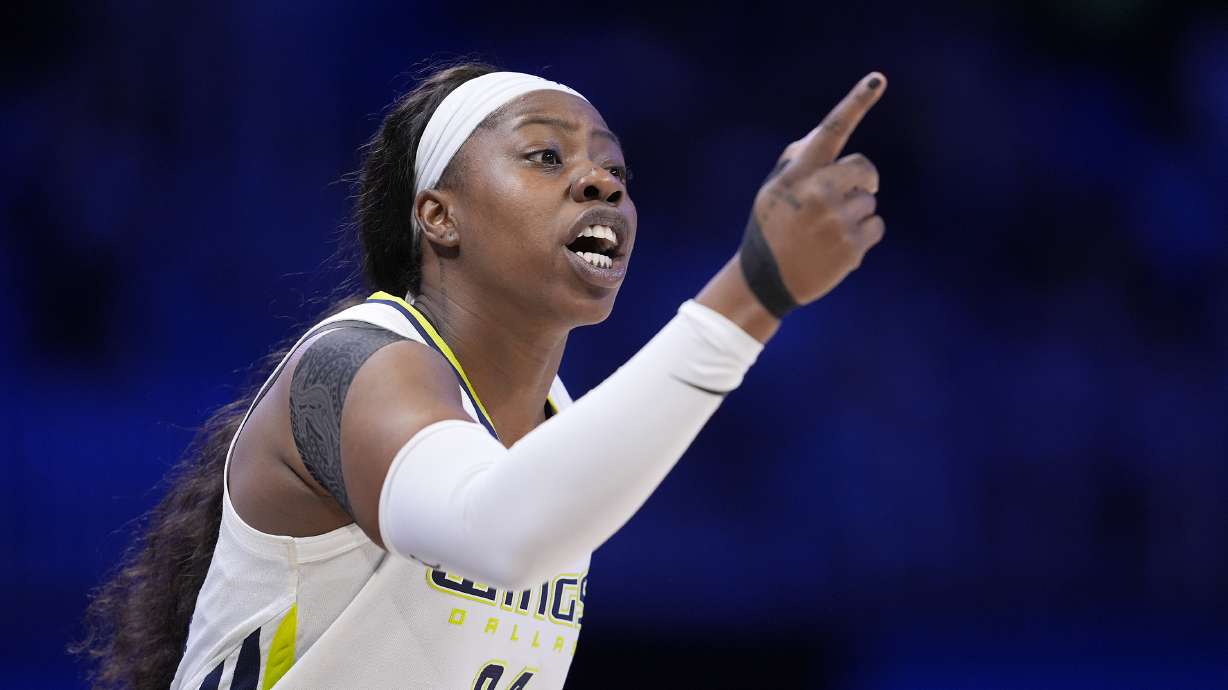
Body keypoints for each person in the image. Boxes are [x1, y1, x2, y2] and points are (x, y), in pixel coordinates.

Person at [76, 61, 886, 689]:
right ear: (439, 214)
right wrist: (752, 293)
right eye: (545, 155)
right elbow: (492, 532)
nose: (601, 181)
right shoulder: (353, 364)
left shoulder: (557, 429)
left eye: (617, 173)